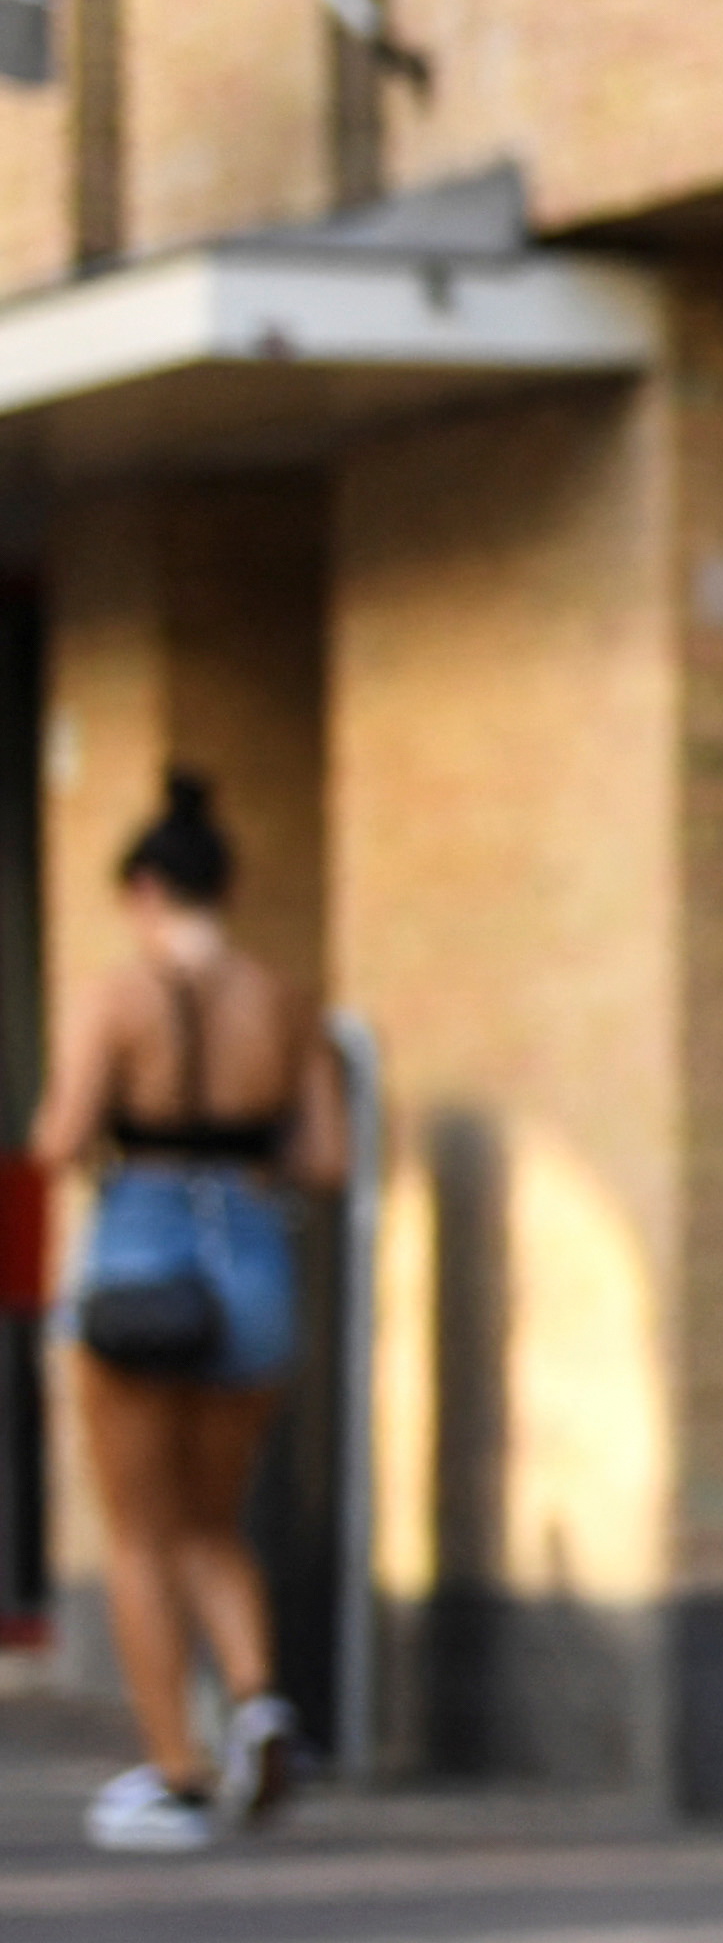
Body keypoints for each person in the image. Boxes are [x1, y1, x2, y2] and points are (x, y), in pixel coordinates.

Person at [43, 772, 347, 1853]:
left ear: (142, 888)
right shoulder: (285, 997)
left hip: (139, 1248)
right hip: (252, 1257)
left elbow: (61, 1131)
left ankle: (174, 1772)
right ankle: (259, 1702)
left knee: (138, 1529)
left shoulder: (113, 995)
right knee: (214, 1520)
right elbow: (325, 1154)